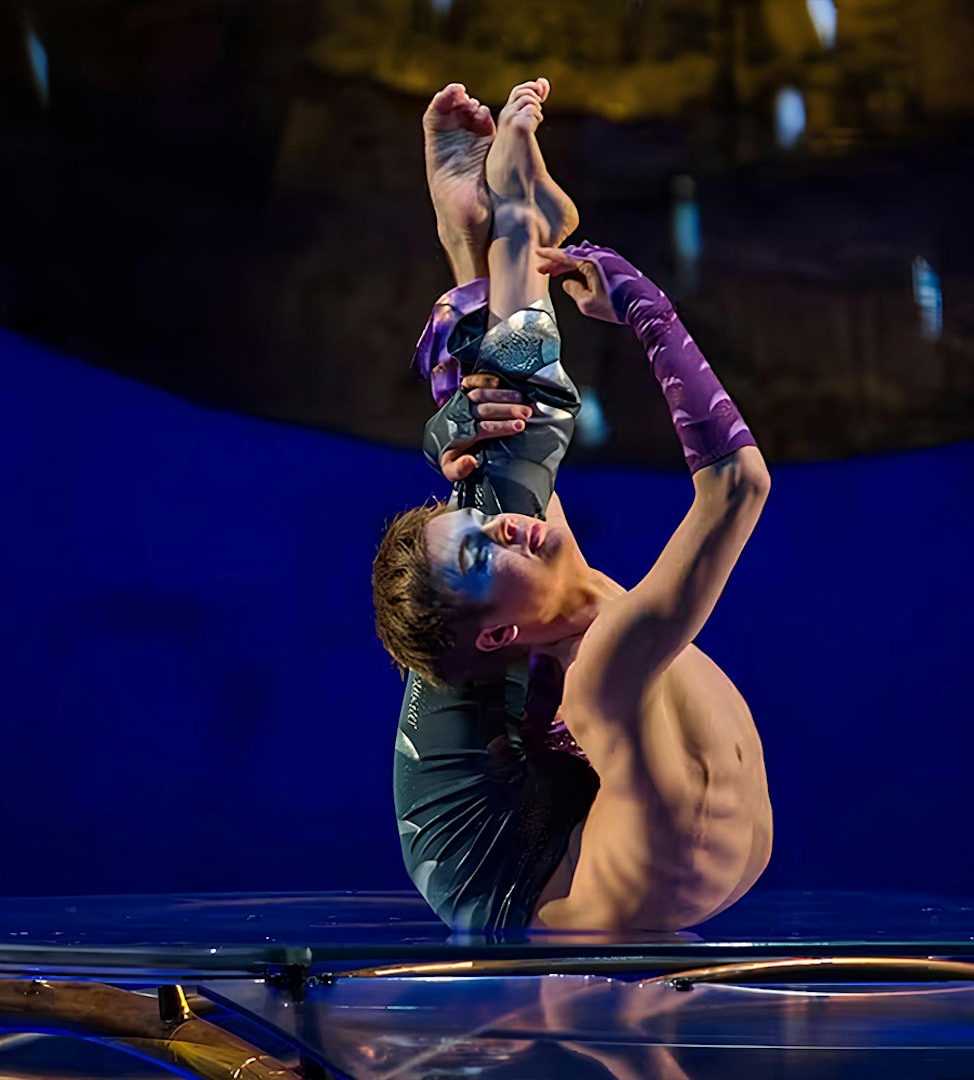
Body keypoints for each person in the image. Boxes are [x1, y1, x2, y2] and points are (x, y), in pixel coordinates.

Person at [377, 81, 774, 932]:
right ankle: (500, 233)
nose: (514, 525)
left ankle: (487, 227)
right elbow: (739, 485)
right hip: (487, 875)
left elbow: (519, 422)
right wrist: (640, 304)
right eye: (492, 545)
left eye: (490, 525)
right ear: (507, 639)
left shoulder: (549, 603)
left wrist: (495, 235)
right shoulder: (602, 671)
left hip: (509, 722)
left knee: (502, 441)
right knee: (490, 514)